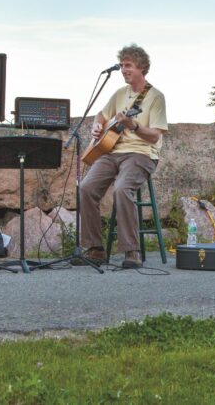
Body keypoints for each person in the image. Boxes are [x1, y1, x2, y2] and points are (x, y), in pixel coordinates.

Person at [78, 44, 168, 268]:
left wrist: (134, 126)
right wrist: (97, 127)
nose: (123, 69)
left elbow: (155, 136)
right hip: (112, 152)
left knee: (122, 188)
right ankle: (95, 249)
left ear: (142, 68)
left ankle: (131, 251)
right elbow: (101, 114)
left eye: (128, 65)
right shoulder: (119, 94)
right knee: (86, 187)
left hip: (141, 154)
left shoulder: (156, 97)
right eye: (122, 66)